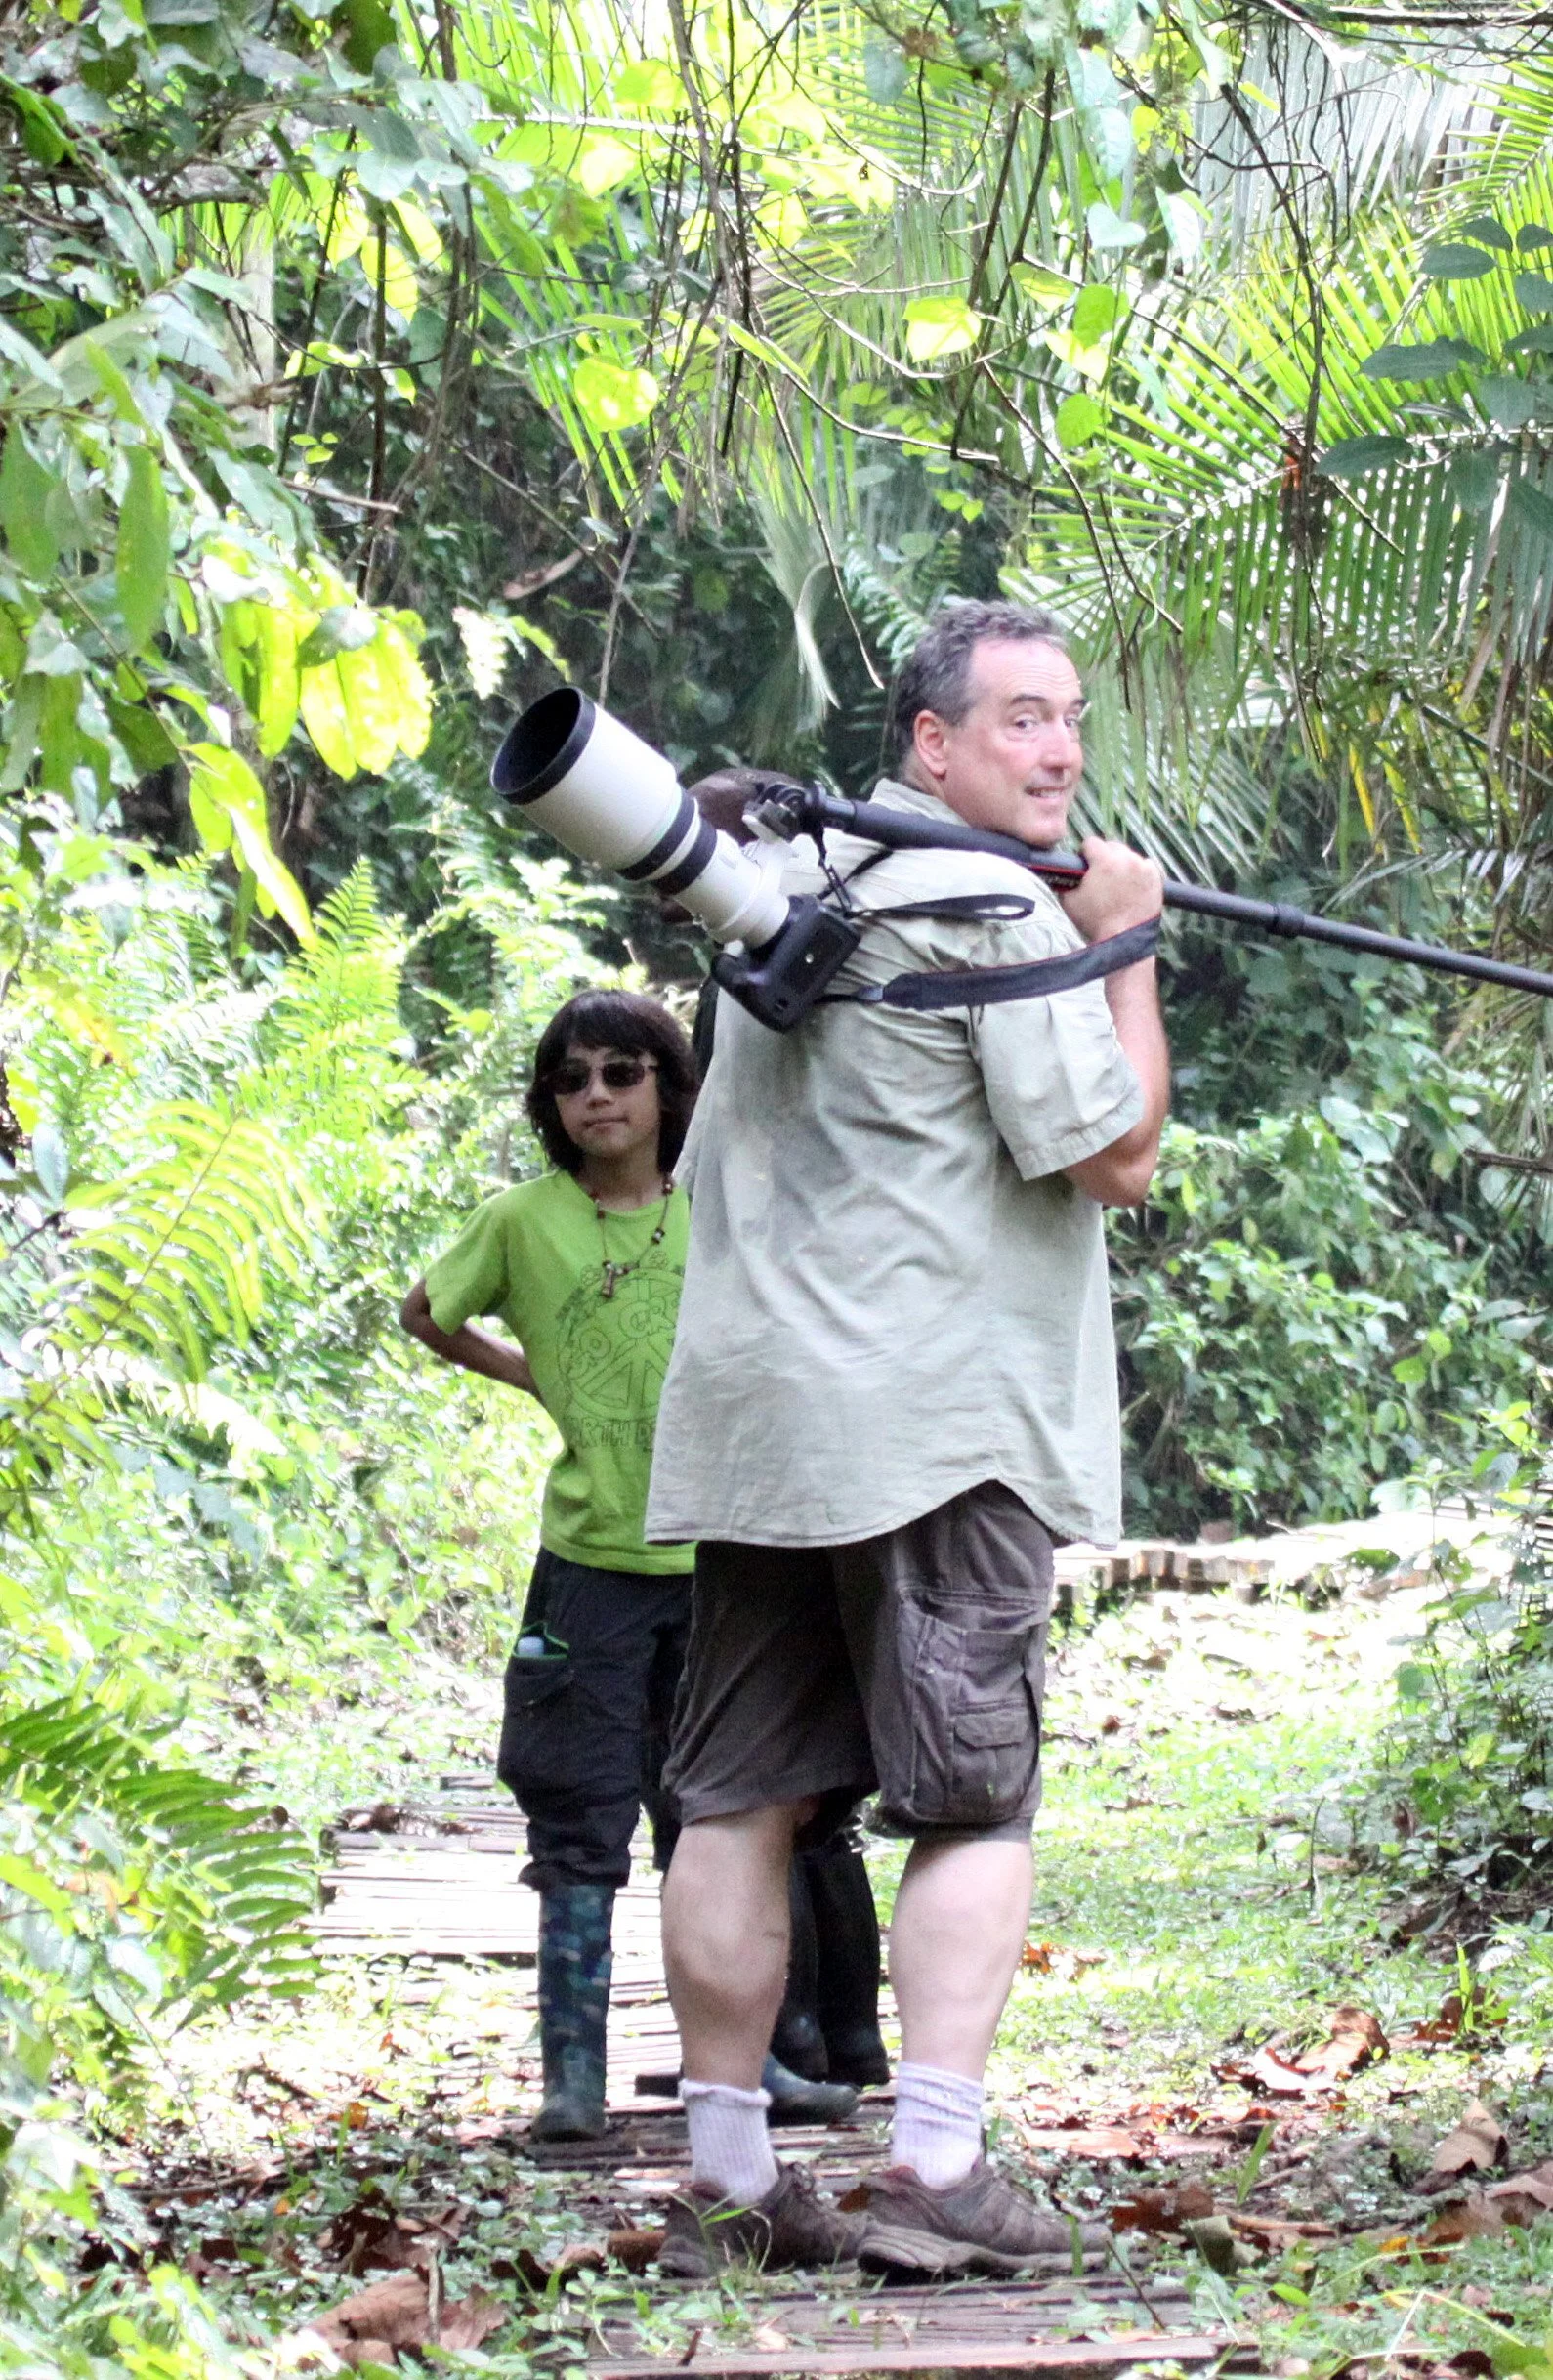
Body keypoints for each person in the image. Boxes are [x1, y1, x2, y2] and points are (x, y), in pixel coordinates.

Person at [643, 601, 1170, 2278]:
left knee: (738, 1797)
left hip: (761, 1426)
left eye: (1068, 718)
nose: (1061, 749)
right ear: (930, 747)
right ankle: (936, 2164)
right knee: (974, 1799)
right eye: (1021, 719)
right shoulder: (993, 902)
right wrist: (1129, 942)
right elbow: (1115, 1153)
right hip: (942, 1426)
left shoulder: (776, 901)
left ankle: (730, 2182)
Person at [400, 990, 700, 2143]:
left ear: (668, 1090)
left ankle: (733, 2070)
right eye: (572, 1080)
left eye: (622, 1074)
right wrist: (535, 1376)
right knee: (576, 1814)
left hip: (720, 1558)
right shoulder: (524, 1219)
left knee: (712, 1819)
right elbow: (428, 1313)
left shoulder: (715, 1207)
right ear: (550, 1104)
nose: (596, 1098)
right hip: (589, 1557)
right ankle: (573, 2087)